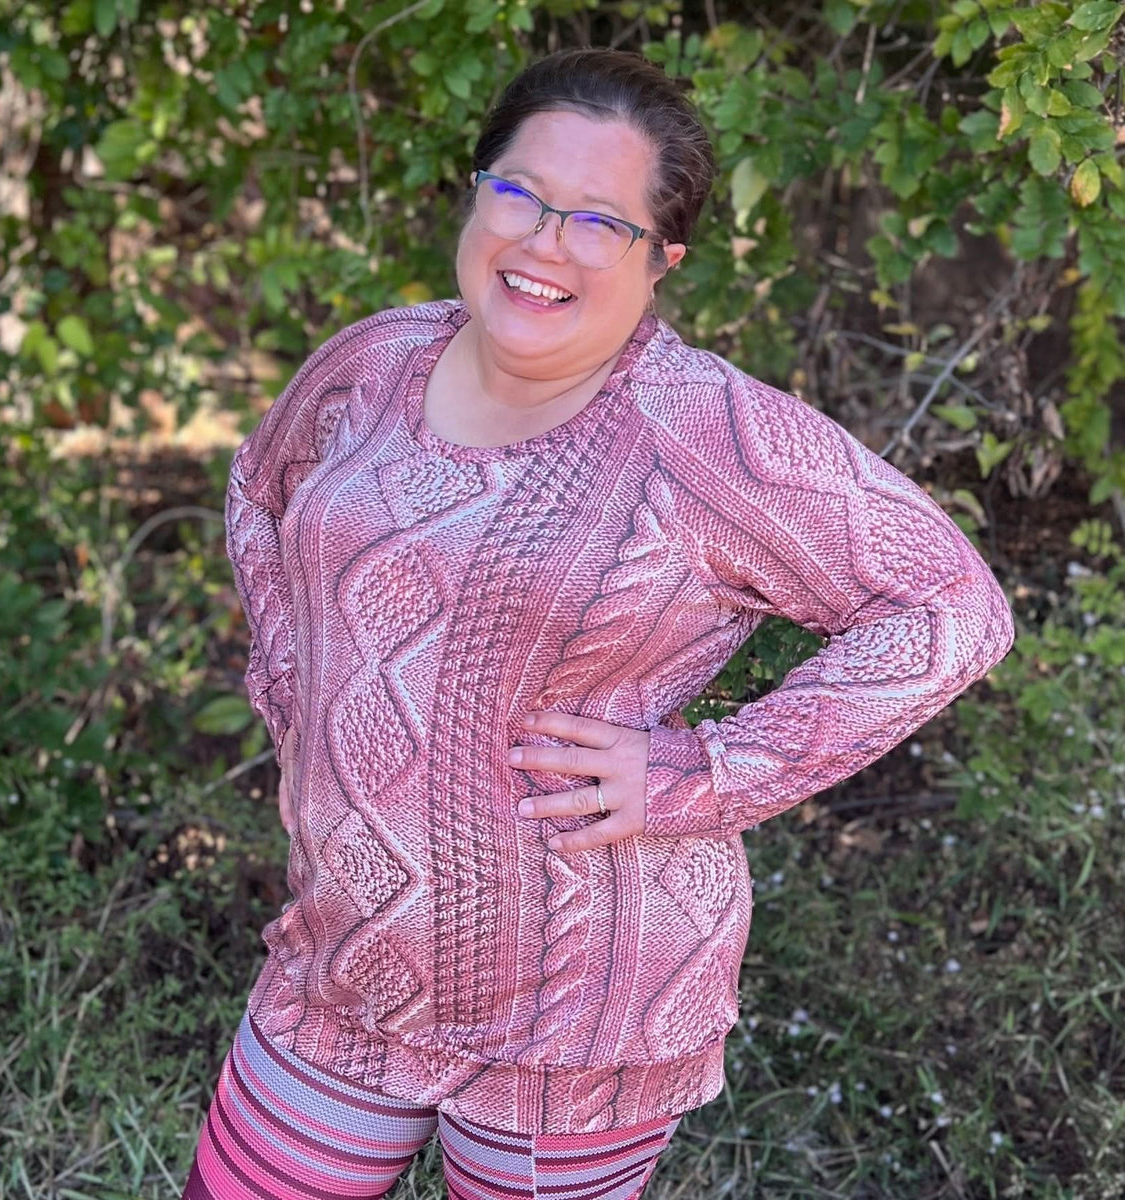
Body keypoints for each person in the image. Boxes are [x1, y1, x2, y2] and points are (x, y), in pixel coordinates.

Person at [182, 44, 1016, 1200]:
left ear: (662, 258)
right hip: (343, 965)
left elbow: (951, 607)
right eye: (519, 194)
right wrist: (302, 693)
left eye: (600, 221)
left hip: (579, 1019)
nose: (544, 243)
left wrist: (702, 773)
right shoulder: (374, 362)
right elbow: (261, 491)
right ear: (476, 191)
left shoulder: (705, 433)